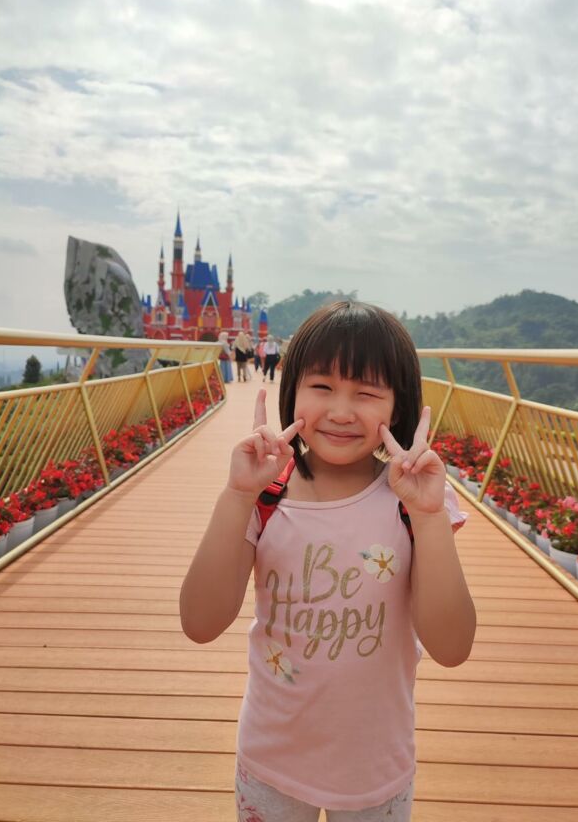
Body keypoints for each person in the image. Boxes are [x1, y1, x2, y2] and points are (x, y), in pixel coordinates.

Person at [180, 301, 476, 821]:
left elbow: (452, 648)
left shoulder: (413, 504)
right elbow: (200, 622)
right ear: (291, 390)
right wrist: (237, 495)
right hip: (270, 760)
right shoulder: (264, 494)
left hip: (375, 770)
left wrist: (430, 518)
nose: (341, 411)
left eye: (367, 393)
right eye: (321, 386)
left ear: (398, 408)